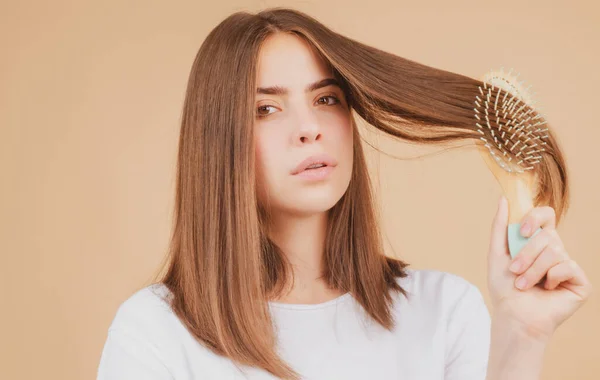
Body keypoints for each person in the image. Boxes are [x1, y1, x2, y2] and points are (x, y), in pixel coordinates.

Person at [96, 8, 592, 380]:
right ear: (217, 140)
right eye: (266, 109)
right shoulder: (155, 333)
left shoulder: (443, 310)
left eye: (326, 99)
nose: (309, 128)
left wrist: (522, 336)